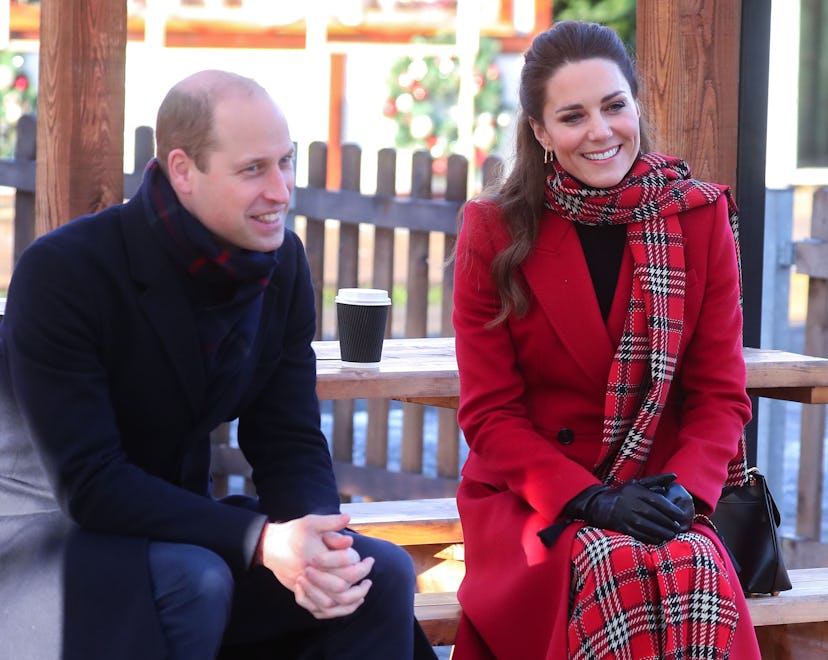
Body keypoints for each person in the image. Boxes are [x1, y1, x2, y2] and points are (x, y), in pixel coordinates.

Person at [0, 70, 436, 660]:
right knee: (196, 580)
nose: (281, 190)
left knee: (371, 574)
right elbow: (89, 483)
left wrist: (320, 546)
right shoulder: (66, 272)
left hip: (182, 530)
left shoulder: (280, 264)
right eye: (254, 169)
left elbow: (288, 438)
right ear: (183, 170)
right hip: (48, 544)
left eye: (286, 163)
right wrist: (260, 541)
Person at [451, 21, 761, 659]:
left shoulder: (699, 218)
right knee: (606, 563)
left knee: (694, 567)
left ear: (636, 105)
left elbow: (719, 396)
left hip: (661, 493)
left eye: (614, 106)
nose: (600, 131)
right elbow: (490, 416)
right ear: (540, 132)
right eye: (572, 116)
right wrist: (588, 498)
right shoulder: (494, 230)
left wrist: (682, 490)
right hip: (536, 502)